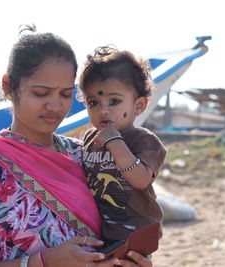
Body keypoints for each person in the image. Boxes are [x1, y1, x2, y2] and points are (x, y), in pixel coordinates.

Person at [0, 27, 153, 267]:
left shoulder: (86, 154)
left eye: (65, 94)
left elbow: (120, 226)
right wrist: (41, 262)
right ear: (8, 86)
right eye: (41, 93)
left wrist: (133, 259)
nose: (55, 105)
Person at [78, 46, 166, 248]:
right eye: (93, 102)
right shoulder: (90, 139)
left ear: (139, 106)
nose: (103, 110)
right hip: (103, 231)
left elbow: (140, 179)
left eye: (114, 101)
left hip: (136, 233)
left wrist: (115, 142)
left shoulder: (143, 140)